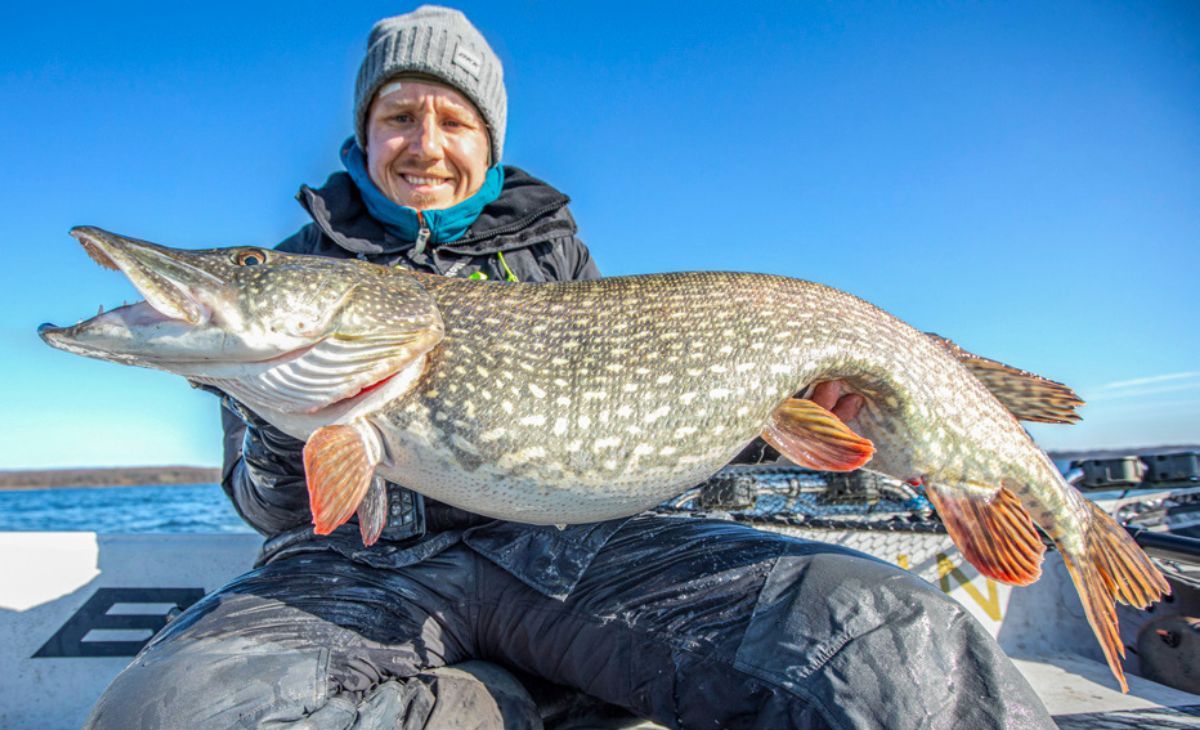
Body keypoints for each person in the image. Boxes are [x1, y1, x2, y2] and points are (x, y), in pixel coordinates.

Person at [85, 7, 1056, 729]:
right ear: (364, 135)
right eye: (398, 116)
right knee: (161, 717)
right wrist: (268, 408)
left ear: (489, 143)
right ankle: (490, 706)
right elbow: (271, 510)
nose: (424, 143)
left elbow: (643, 451)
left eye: (451, 120)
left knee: (898, 645)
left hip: (569, 555)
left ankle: (535, 689)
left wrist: (772, 421)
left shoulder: (556, 262)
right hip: (360, 573)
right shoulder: (297, 271)